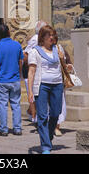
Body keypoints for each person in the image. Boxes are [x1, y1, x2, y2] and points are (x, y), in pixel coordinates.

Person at [27, 25, 67, 154]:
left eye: (53, 35)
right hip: (42, 85)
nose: (52, 37)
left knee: (56, 113)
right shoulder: (35, 51)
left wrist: (62, 59)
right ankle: (45, 146)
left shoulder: (58, 49)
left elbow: (64, 66)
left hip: (57, 84)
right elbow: (31, 71)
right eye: (49, 35)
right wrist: (30, 91)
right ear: (42, 37)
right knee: (43, 116)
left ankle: (48, 136)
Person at [0, 24, 24, 136]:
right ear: (9, 32)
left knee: (2, 105)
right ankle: (17, 128)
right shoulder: (17, 45)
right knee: (16, 104)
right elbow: (20, 61)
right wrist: (18, 73)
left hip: (2, 80)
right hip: (14, 79)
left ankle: (4, 129)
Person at [23, 21, 47, 123]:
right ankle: (34, 116)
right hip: (33, 70)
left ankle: (32, 113)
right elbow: (26, 54)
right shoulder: (35, 39)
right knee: (33, 94)